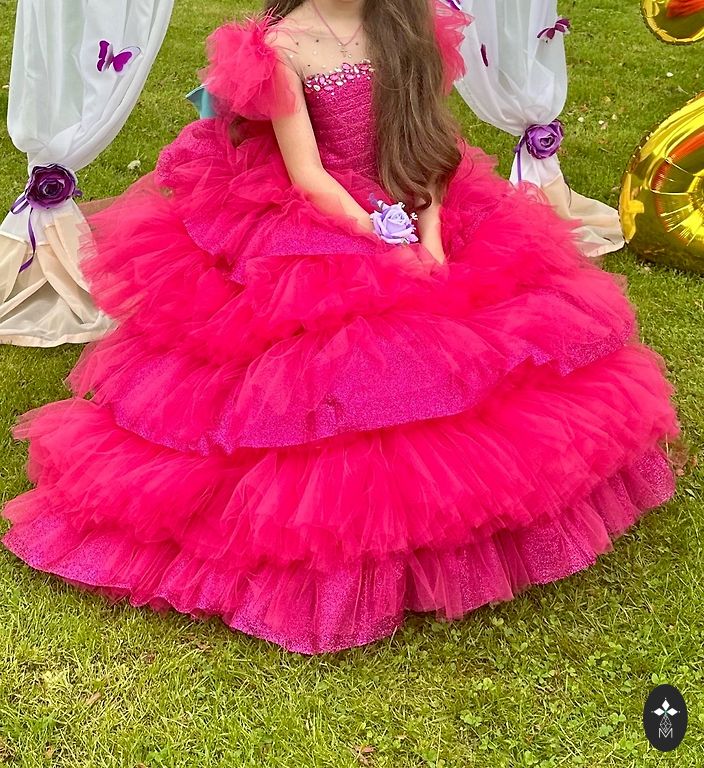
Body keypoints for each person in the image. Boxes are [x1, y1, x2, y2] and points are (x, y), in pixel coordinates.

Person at [1, 0, 681, 654]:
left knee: (485, 337)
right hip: (324, 210)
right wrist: (378, 232)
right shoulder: (279, 47)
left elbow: (429, 144)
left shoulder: (408, 22)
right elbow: (308, 173)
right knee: (350, 356)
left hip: (409, 190)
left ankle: (455, 513)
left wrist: (430, 235)